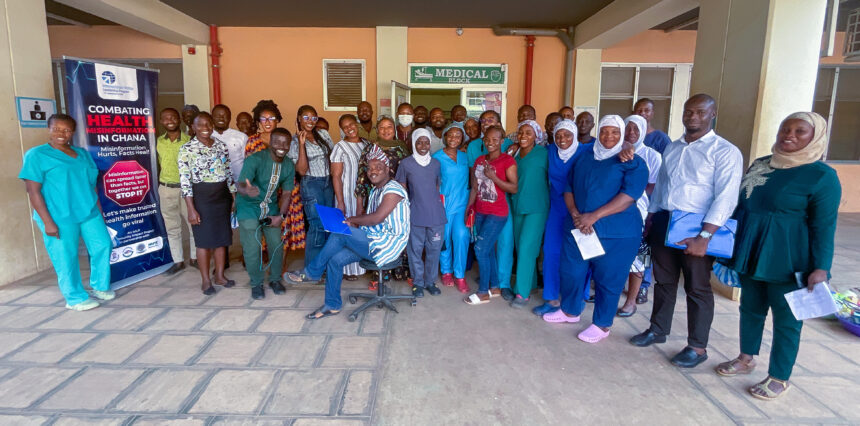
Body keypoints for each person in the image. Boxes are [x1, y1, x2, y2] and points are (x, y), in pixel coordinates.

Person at [715, 112, 840, 400]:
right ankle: (746, 358)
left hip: (789, 258)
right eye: (786, 128)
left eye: (800, 131)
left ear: (815, 137)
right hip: (753, 250)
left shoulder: (822, 176)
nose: (790, 135)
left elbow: (824, 226)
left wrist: (821, 268)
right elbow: (741, 207)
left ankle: (779, 376)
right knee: (750, 308)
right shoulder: (762, 164)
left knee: (787, 319)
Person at [630, 94, 743, 368]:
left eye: (700, 112)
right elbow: (662, 187)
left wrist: (705, 236)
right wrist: (651, 218)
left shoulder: (725, 151)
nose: (692, 116)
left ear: (712, 114)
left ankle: (697, 346)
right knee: (665, 281)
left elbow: (726, 197)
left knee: (697, 286)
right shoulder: (674, 147)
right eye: (688, 111)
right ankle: (658, 330)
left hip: (697, 227)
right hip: (665, 221)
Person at [545, 115, 648, 343]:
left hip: (616, 234)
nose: (608, 136)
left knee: (607, 279)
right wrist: (575, 214)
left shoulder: (632, 162)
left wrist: (594, 216)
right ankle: (570, 311)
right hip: (579, 227)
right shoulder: (585, 158)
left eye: (615, 132)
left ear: (622, 136)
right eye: (604, 131)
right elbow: (569, 188)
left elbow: (629, 197)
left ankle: (601, 325)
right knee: (571, 271)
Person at [286, 146, 410, 319]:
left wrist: (351, 220)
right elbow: (370, 221)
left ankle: (312, 272)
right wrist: (350, 222)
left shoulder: (393, 190)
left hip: (387, 245)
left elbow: (376, 218)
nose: (373, 172)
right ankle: (332, 305)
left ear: (388, 169)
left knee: (340, 233)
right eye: (370, 168)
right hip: (373, 240)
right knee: (335, 260)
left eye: (378, 168)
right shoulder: (375, 190)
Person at [19, 114, 115, 311]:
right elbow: (33, 191)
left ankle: (99, 286)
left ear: (73, 132)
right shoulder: (36, 155)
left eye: (66, 130)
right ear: (49, 129)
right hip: (58, 215)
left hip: (88, 211)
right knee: (65, 256)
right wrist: (47, 222)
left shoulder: (82, 154)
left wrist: (99, 211)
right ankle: (74, 298)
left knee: (102, 245)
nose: (61, 134)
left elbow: (92, 185)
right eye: (56, 129)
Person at [533, 119, 592, 316]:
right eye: (558, 135)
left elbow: (614, 147)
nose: (562, 139)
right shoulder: (550, 151)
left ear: (575, 135)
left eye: (567, 134)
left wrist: (627, 146)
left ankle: (579, 296)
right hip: (557, 209)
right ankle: (551, 298)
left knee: (581, 254)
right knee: (551, 252)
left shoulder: (586, 151)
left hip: (581, 209)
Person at [178, 112, 238, 295]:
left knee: (221, 239)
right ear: (193, 128)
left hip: (222, 196)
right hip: (201, 198)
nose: (206, 128)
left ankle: (219, 276)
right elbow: (185, 180)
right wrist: (191, 208)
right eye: (201, 125)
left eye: (209, 124)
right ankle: (205, 280)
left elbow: (228, 172)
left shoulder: (221, 146)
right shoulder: (187, 149)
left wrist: (233, 197)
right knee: (203, 241)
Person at [236, 128, 295, 299]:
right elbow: (240, 185)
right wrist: (247, 190)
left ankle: (275, 280)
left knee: (276, 243)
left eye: (286, 143)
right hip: (248, 207)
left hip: (271, 207)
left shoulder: (289, 165)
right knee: (253, 247)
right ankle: (256, 283)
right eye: (277, 142)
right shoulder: (255, 159)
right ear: (270, 142)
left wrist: (281, 216)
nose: (281, 146)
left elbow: (286, 193)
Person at [463, 126, 518, 305]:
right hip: (480, 211)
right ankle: (494, 287)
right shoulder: (479, 160)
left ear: (502, 141)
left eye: (495, 140)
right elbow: (475, 187)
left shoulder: (507, 161)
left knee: (480, 248)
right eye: (487, 139)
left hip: (497, 213)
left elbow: (514, 188)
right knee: (488, 250)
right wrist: (469, 208)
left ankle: (483, 292)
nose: (490, 143)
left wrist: (494, 178)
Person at [246, 100, 306, 259]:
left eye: (271, 118)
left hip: (287, 190)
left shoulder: (288, 140)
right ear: (258, 121)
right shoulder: (252, 141)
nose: (267, 122)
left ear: (278, 120)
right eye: (263, 118)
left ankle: (280, 269)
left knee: (283, 229)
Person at [355, 116, 410, 286]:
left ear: (394, 130)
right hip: (376, 196)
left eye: (389, 127)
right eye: (382, 127)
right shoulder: (370, 149)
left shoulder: (402, 148)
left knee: (397, 231)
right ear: (377, 130)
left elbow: (409, 175)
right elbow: (362, 178)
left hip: (396, 197)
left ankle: (400, 271)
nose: (386, 130)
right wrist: (359, 206)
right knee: (377, 232)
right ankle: (380, 276)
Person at [617, 115, 662, 317]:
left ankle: (631, 300)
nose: (631, 132)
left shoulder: (652, 155)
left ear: (643, 130)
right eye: (628, 128)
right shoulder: (616, 151)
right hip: (616, 211)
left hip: (642, 211)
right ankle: (612, 291)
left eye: (636, 129)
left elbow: (653, 186)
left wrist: (630, 190)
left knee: (639, 257)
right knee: (615, 256)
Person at [396, 128, 446, 297]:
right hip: (415, 213)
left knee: (434, 250)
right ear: (413, 143)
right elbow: (401, 189)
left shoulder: (436, 164)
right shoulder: (406, 164)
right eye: (419, 142)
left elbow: (436, 187)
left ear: (430, 144)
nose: (423, 146)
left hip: (436, 215)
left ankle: (430, 282)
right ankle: (418, 282)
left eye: (426, 142)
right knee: (415, 250)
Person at [508, 120, 549, 307]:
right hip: (517, 206)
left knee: (526, 248)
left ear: (537, 136)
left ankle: (522, 293)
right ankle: (531, 284)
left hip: (537, 208)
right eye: (521, 132)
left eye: (528, 133)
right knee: (522, 248)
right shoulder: (514, 154)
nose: (523, 136)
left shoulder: (544, 154)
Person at [288, 105, 335, 266]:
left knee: (330, 224)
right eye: (306, 117)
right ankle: (313, 268)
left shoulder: (323, 134)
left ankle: (328, 265)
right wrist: (301, 144)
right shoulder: (293, 142)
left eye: (313, 118)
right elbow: (301, 170)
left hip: (328, 182)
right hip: (311, 183)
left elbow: (333, 157)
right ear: (299, 119)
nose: (310, 121)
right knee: (317, 225)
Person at [156, 107, 196, 273]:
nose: (170, 120)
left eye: (173, 117)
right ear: (161, 122)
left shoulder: (189, 140)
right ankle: (178, 261)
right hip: (166, 189)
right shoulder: (158, 141)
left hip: (187, 190)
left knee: (193, 225)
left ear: (179, 120)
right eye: (166, 118)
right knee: (172, 227)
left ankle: (195, 258)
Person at [434, 123, 471, 293]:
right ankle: (446, 271)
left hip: (462, 204)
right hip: (443, 204)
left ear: (462, 138)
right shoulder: (436, 157)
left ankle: (460, 275)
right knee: (444, 238)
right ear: (445, 137)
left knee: (462, 236)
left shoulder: (465, 157)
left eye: (458, 135)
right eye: (451, 135)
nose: (454, 138)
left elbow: (472, 181)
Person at [331, 114, 369, 280]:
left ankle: (362, 265)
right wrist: (340, 201)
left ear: (357, 124)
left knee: (362, 230)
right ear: (342, 130)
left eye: (351, 124)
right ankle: (348, 269)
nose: (349, 128)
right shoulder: (340, 147)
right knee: (348, 230)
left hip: (365, 195)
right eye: (345, 127)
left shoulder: (366, 144)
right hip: (347, 194)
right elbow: (336, 176)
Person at [212, 104, 248, 185]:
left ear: (230, 118)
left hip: (238, 183)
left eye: (224, 116)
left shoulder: (241, 137)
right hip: (215, 184)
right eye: (218, 116)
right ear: (212, 118)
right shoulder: (207, 137)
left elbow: (246, 161)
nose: (221, 118)